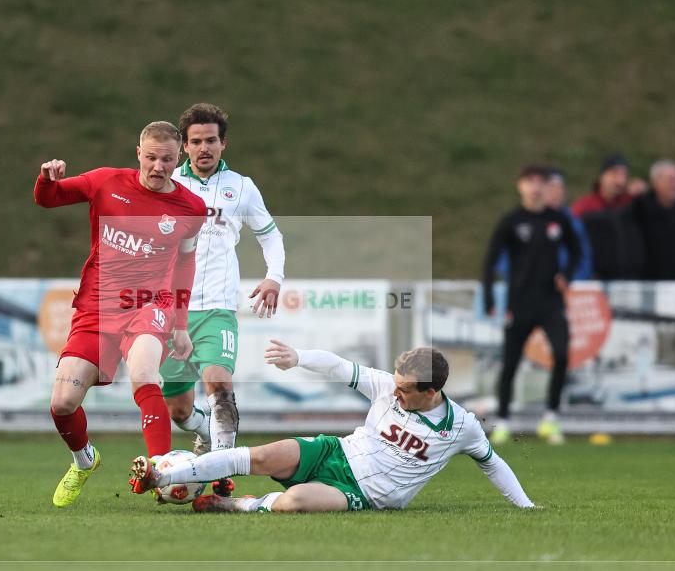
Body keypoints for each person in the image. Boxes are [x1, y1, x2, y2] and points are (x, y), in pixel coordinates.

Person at [129, 342, 536, 512]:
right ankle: (163, 472)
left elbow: (492, 463)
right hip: (336, 451)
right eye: (393, 383)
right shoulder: (387, 385)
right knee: (262, 456)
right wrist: (298, 356)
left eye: (404, 389)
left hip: (362, 492)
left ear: (431, 391)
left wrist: (526, 507)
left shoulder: (461, 426)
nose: (394, 392)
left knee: (294, 504)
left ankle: (232, 504)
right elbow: (341, 367)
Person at [34, 121, 206, 508]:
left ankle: (162, 469)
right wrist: (47, 179)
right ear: (138, 154)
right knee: (62, 403)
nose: (158, 166)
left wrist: (180, 324)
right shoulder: (105, 182)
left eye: (167, 159)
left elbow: (185, 263)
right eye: (151, 157)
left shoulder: (191, 208)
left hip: (149, 304)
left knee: (145, 372)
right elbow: (48, 199)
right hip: (96, 308)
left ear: (178, 159)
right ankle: (84, 460)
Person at [159, 103, 286, 494]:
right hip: (169, 309)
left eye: (211, 140)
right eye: (195, 141)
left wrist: (273, 278)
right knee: (179, 411)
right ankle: (203, 434)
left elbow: (270, 235)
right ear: (184, 146)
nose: (204, 148)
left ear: (223, 142)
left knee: (220, 386)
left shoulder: (242, 187)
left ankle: (221, 473)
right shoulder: (165, 185)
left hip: (216, 307)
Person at [482, 165, 582, 446]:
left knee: (562, 354)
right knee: (511, 362)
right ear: (520, 186)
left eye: (540, 182)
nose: (535, 187)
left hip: (550, 301)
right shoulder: (512, 221)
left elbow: (577, 251)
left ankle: (550, 418)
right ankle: (502, 421)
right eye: (530, 182)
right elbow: (490, 259)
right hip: (520, 303)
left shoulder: (557, 219)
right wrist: (490, 297)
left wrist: (568, 274)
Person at [495, 167, 593, 281]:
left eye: (560, 187)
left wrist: (571, 280)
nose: (557, 192)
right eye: (552, 187)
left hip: (566, 288)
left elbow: (584, 258)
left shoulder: (574, 223)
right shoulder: (519, 220)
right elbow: (502, 260)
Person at [571, 154, 642, 217]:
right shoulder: (585, 206)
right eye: (614, 174)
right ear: (602, 176)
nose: (620, 181)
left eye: (624, 175)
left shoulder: (630, 202)